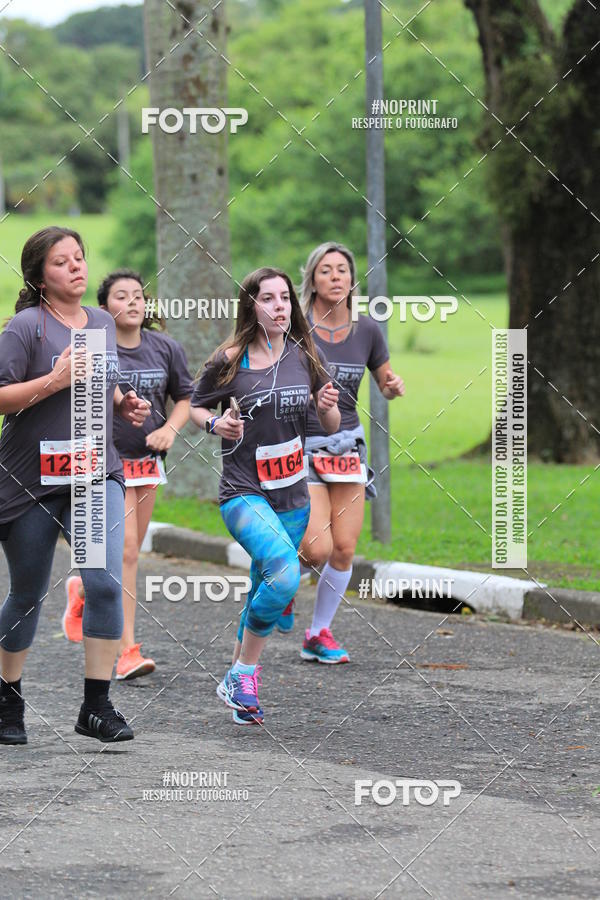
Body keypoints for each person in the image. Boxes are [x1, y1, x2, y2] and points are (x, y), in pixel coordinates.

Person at [0, 227, 150, 745]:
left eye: (80, 258)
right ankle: (7, 698)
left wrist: (122, 402)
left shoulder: (103, 322)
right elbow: (3, 398)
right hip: (32, 480)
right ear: (41, 276)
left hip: (92, 475)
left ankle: (96, 706)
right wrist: (54, 381)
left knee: (104, 582)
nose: (77, 268)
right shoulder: (25, 328)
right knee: (27, 594)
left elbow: (99, 383)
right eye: (62, 262)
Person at [190, 267, 340, 725]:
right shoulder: (228, 359)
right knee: (284, 573)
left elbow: (327, 426)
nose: (280, 306)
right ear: (251, 306)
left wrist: (328, 410)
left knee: (263, 585)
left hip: (293, 494)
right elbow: (195, 406)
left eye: (285, 299)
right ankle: (243, 672)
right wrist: (216, 423)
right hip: (243, 491)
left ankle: (240, 691)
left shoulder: (304, 355)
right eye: (269, 298)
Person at [62, 270, 193, 680]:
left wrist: (169, 429)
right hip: (101, 462)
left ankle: (82, 589)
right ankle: (127, 650)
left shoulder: (166, 348)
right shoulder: (96, 347)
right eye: (122, 296)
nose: (134, 302)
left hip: (146, 463)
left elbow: (186, 398)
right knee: (127, 551)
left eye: (139, 295)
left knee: (126, 553)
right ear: (103, 309)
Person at [279, 241, 404, 663]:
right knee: (315, 548)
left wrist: (390, 385)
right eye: (326, 270)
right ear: (312, 280)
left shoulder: (367, 330)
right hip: (300, 446)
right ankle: (281, 579)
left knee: (344, 548)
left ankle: (318, 634)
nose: (336, 277)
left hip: (347, 446)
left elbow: (384, 377)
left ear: (353, 280)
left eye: (343, 271)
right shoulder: (295, 329)